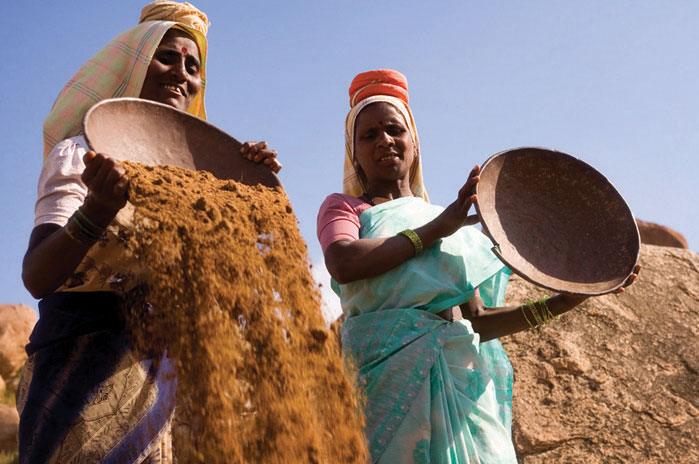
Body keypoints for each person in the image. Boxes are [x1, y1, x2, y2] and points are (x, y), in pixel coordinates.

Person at [317, 69, 640, 463]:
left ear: (414, 143)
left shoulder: (452, 224)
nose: (384, 140)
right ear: (355, 153)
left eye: (394, 129)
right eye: (369, 135)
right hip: (383, 388)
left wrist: (564, 302)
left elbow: (478, 320)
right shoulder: (346, 207)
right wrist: (439, 227)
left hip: (460, 387)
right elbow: (343, 262)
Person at [17, 2, 280, 463]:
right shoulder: (82, 153)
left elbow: (235, 285)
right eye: (166, 57)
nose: (181, 73)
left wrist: (249, 193)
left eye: (193, 66)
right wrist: (96, 210)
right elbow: (38, 275)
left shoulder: (200, 187)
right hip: (80, 385)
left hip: (166, 392)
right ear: (136, 65)